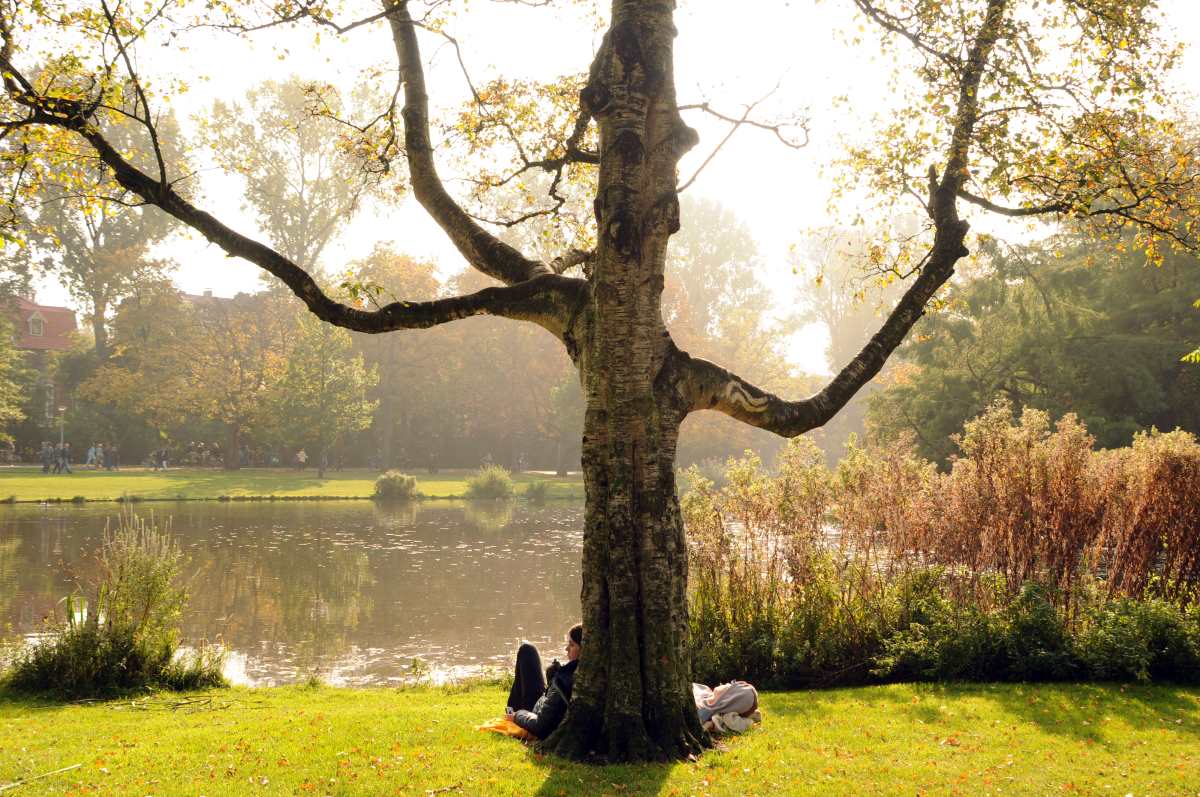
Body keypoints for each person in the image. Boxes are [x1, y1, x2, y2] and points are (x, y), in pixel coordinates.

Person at [505, 623, 582, 739]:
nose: (566, 649)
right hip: (540, 704)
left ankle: (510, 714)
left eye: (571, 645)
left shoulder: (564, 682)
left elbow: (540, 725)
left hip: (532, 714)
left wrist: (517, 715)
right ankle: (510, 712)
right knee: (527, 650)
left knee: (526, 650)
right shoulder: (576, 674)